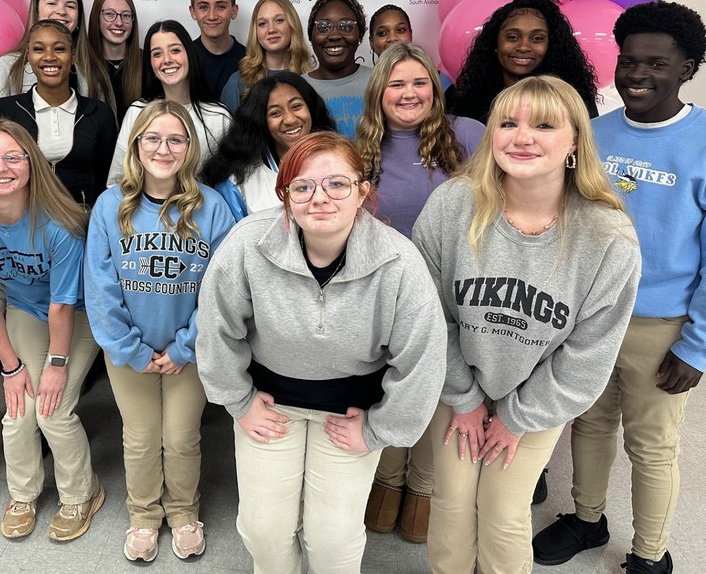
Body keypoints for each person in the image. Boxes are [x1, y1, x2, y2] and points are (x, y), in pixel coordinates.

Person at [533, 1, 706, 574]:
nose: (636, 75)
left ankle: (651, 555)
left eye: (656, 64)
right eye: (628, 62)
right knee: (590, 422)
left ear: (688, 67)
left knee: (651, 446)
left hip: (662, 325)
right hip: (590, 318)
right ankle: (586, 517)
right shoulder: (595, 134)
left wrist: (699, 346)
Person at [412, 75, 641, 574]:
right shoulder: (452, 206)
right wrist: (466, 398)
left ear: (574, 141)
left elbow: (587, 356)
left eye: (543, 125)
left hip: (540, 395)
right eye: (508, 123)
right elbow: (426, 316)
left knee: (503, 511)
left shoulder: (607, 237)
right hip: (457, 385)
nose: (522, 137)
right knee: (451, 503)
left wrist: (516, 417)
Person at [196, 131, 447, 574]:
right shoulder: (247, 244)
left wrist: (379, 429)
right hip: (270, 408)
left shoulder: (399, 263)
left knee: (332, 539)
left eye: (337, 184)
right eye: (303, 186)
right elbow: (217, 327)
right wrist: (237, 401)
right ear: (285, 195)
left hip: (350, 416)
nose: (320, 198)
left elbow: (422, 360)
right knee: (263, 531)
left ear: (362, 191)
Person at [0, 120, 104, 542]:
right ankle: (24, 495)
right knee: (18, 410)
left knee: (52, 410)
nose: (1, 167)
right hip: (26, 312)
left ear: (31, 164)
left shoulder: (60, 224)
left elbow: (63, 305)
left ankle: (81, 494)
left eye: (13, 157)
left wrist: (56, 365)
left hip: (79, 315)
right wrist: (11, 369)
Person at [85, 100, 235, 562]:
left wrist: (186, 346)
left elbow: (222, 288)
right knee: (141, 436)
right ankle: (145, 516)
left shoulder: (211, 207)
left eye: (175, 139)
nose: (163, 148)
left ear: (189, 147)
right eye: (152, 138)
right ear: (136, 145)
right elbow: (101, 287)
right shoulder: (111, 205)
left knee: (181, 436)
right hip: (128, 351)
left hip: (189, 349)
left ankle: (184, 512)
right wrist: (131, 349)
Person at [353, 42, 483, 542]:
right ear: (379, 92)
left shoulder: (467, 136)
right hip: (383, 298)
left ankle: (423, 488)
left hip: (451, 297)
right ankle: (387, 480)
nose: (409, 93)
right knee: (387, 390)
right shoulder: (359, 148)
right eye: (396, 83)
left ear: (436, 86)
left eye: (419, 82)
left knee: (437, 393)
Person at [0, 19, 117, 207]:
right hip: (22, 222)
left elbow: (106, 183)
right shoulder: (5, 110)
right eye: (39, 49)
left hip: (81, 225)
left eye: (59, 49)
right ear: (28, 56)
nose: (49, 57)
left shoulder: (99, 113)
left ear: (72, 56)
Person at [108, 20, 231, 184]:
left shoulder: (218, 117)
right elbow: (116, 181)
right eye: (157, 54)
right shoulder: (137, 112)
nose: (167, 60)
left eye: (175, 50)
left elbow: (231, 188)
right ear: (150, 63)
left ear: (190, 54)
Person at [201, 71, 335, 221]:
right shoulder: (239, 183)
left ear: (311, 108)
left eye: (296, 106)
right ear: (260, 121)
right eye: (275, 113)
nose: (290, 119)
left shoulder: (340, 164)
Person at [445, 0, 599, 123]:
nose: (523, 47)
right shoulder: (467, 101)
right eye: (512, 37)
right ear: (495, 42)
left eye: (537, 39)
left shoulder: (573, 102)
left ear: (551, 45)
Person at [0, 0, 113, 112]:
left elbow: (106, 125)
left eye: (70, 6)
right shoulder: (6, 67)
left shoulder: (93, 70)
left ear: (79, 18)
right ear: (36, 11)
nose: (61, 11)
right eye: (52, 3)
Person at [219, 0, 313, 112]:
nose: (271, 29)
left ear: (292, 24)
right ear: (256, 31)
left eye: (279, 20)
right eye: (262, 23)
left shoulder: (312, 79)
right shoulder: (237, 83)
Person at [302, 0, 373, 138]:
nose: (334, 35)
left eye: (346, 26)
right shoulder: (298, 88)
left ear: (359, 35)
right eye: (323, 27)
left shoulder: (378, 81)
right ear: (311, 36)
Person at [87, 0, 143, 121]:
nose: (119, 22)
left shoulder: (148, 62)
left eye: (126, 15)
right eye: (110, 14)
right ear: (97, 17)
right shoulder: (82, 64)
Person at [188, 0, 247, 99]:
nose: (212, 16)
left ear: (234, 11)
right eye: (204, 7)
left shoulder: (250, 61)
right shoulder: (182, 59)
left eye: (220, 6)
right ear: (193, 12)